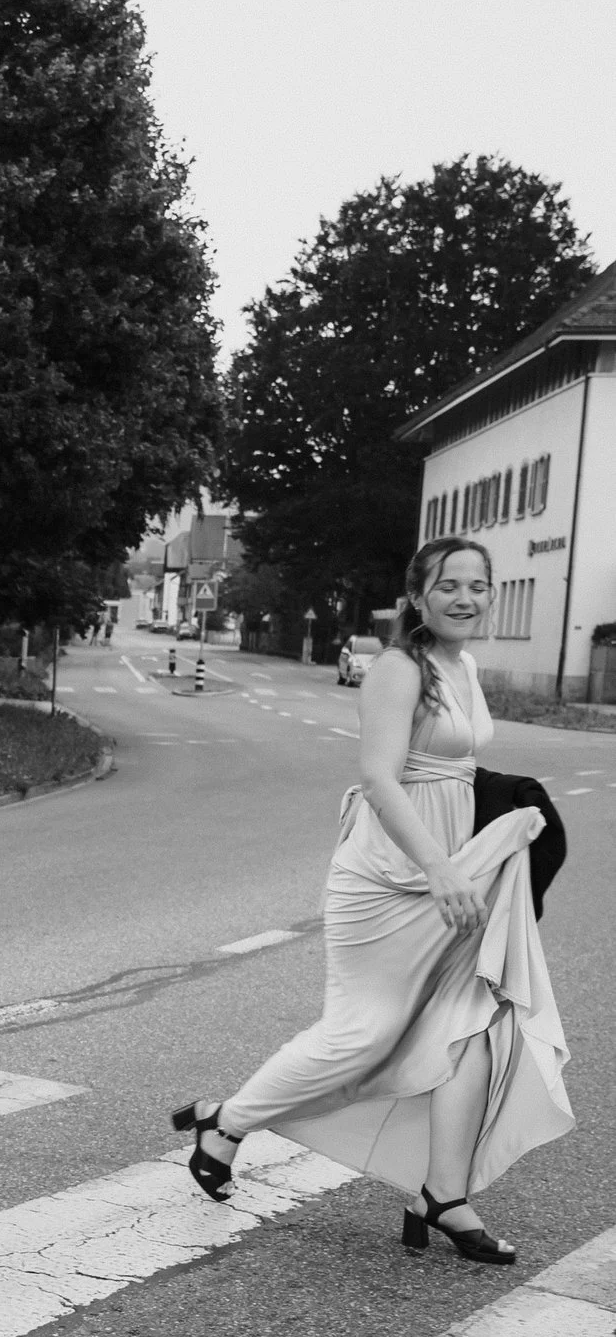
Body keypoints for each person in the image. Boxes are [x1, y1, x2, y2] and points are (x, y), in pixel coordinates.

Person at [173, 537, 570, 1261]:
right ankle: (225, 1122)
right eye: (447, 585)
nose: (465, 598)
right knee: (363, 1033)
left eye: (478, 586)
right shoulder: (398, 667)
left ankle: (443, 1195)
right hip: (390, 876)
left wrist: (502, 822)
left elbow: (454, 765)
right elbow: (382, 777)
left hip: (452, 872)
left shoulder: (464, 665)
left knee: (475, 1021)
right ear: (416, 596)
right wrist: (440, 869)